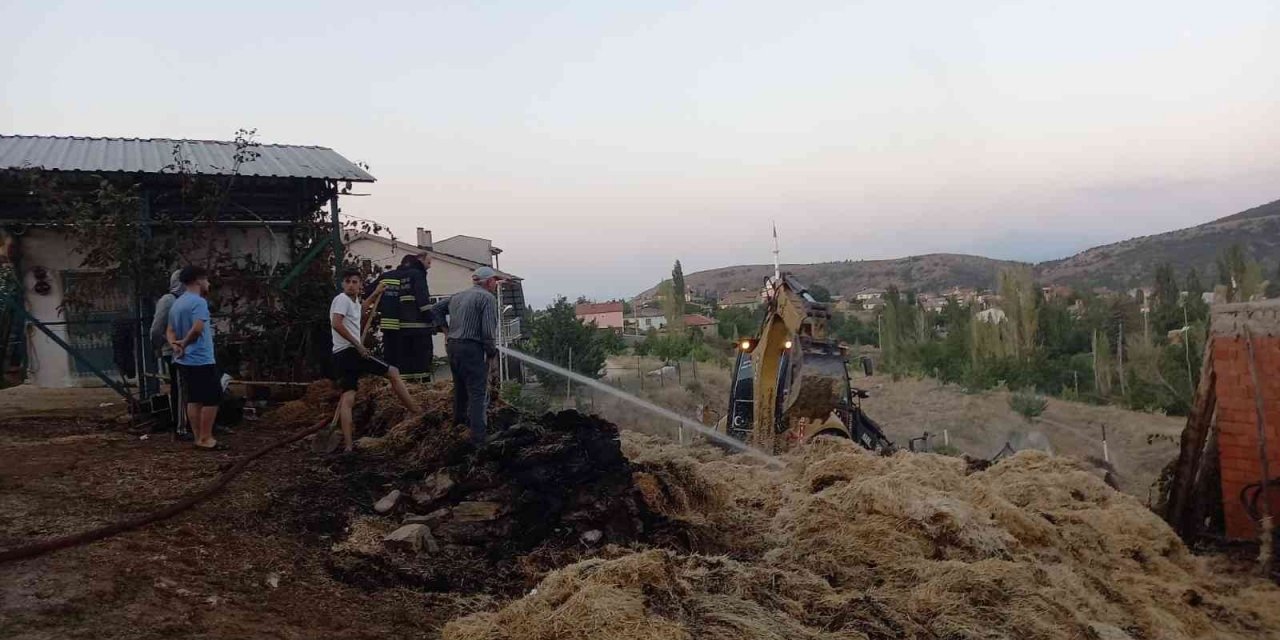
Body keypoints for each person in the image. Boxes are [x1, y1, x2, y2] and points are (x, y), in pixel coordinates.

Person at [330, 268, 421, 453]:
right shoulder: (341, 299)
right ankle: (417, 412)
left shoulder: (352, 302)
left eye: (355, 282)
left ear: (360, 285)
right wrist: (358, 345)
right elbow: (336, 324)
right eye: (347, 281)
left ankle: (348, 446)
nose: (350, 284)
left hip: (340, 354)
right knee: (393, 372)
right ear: (342, 284)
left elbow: (361, 309)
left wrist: (376, 293)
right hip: (350, 351)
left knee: (348, 396)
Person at [431, 266, 500, 445]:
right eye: (495, 281)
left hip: (453, 347)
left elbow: (436, 309)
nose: (496, 285)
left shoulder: (458, 296)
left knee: (460, 389)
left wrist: (445, 331)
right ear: (489, 282)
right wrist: (492, 354)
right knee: (477, 393)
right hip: (471, 349)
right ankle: (478, 439)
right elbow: (487, 332)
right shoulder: (487, 298)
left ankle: (458, 427)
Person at [166, 266, 224, 451]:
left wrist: (174, 344)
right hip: (201, 358)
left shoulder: (177, 303)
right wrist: (185, 343)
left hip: (184, 360)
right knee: (212, 398)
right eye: (206, 280)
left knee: (194, 399)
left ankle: (198, 437)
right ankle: (206, 437)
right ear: (198, 280)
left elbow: (170, 330)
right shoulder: (198, 302)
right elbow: (198, 328)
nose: (208, 283)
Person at [369, 254, 433, 382]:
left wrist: (382, 307)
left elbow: (369, 292)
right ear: (419, 261)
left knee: (396, 360)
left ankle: (397, 385)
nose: (429, 267)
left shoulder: (388, 276)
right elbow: (423, 301)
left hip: (389, 326)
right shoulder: (416, 274)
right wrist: (432, 320)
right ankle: (417, 387)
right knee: (418, 361)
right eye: (429, 263)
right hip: (414, 327)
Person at [149, 269, 191, 441]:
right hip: (175, 351)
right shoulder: (169, 300)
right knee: (181, 388)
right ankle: (180, 428)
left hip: (191, 351)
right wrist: (160, 346)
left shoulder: (189, 301)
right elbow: (156, 329)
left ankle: (191, 424)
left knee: (188, 389)